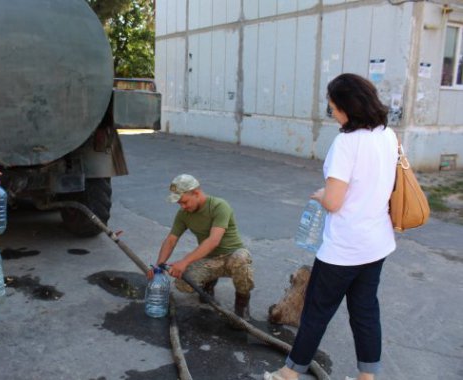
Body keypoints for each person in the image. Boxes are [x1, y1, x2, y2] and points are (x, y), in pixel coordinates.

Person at [264, 74, 398, 380]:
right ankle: (367, 377)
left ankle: (289, 373)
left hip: (344, 247)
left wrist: (322, 194)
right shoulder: (387, 135)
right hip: (376, 243)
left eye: (333, 107)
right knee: (365, 312)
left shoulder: (346, 143)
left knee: (316, 312)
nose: (332, 113)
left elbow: (334, 201)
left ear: (347, 108)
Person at [148, 174, 255, 320]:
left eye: (184, 202)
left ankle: (242, 304)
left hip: (232, 255)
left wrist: (184, 262)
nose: (183, 207)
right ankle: (208, 285)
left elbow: (213, 241)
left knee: (241, 259)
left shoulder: (219, 206)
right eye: (179, 204)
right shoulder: (183, 214)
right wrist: (158, 266)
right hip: (210, 259)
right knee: (182, 283)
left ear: (196, 193)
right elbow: (171, 240)